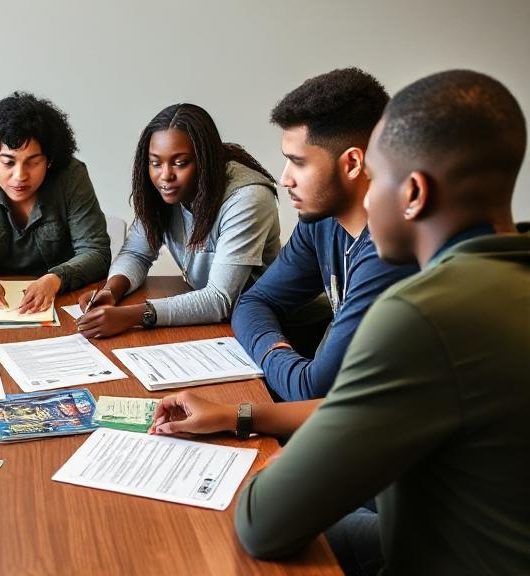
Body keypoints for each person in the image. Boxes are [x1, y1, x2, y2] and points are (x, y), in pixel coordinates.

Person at [152, 70, 530, 575]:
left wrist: (283, 464)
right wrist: (241, 414)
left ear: (413, 193)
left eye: (376, 177)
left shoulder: (421, 315)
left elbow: (263, 521)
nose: (366, 198)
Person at [231, 68, 417, 401]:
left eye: (299, 162)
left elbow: (312, 390)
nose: (285, 179)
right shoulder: (320, 222)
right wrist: (276, 349)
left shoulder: (390, 254)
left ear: (353, 163)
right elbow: (253, 302)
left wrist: (269, 355)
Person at [75, 103, 280, 337]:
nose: (165, 175)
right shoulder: (164, 192)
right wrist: (111, 291)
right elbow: (137, 253)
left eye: (180, 163)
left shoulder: (247, 198)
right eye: (155, 162)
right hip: (216, 326)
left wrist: (133, 315)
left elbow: (220, 299)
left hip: (268, 325)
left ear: (206, 159)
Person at [0, 91, 110, 313]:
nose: (20, 176)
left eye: (33, 162)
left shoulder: (71, 176)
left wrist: (55, 279)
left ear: (50, 160)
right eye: (8, 162)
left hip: (62, 297)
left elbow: (96, 252)